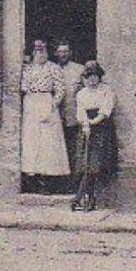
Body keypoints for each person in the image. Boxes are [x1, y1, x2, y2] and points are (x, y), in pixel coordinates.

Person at [19, 40, 70, 193]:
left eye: (43, 51)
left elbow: (60, 88)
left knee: (49, 143)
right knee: (32, 142)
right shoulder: (27, 69)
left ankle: (49, 179)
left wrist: (52, 105)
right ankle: (32, 178)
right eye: (37, 51)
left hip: (46, 102)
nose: (41, 54)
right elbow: (23, 86)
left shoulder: (53, 68)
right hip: (31, 103)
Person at [70, 61, 118, 212]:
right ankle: (87, 198)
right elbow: (80, 111)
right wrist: (85, 124)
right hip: (86, 129)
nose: (92, 80)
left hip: (102, 129)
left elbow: (106, 110)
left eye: (95, 76)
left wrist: (93, 122)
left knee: (96, 166)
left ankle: (82, 197)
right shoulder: (82, 94)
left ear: (99, 77)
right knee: (85, 165)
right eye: (89, 76)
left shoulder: (106, 91)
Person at [54, 41, 86, 179]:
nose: (63, 54)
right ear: (56, 53)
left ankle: (73, 180)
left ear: (70, 53)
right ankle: (58, 180)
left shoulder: (79, 69)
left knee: (74, 148)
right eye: (60, 52)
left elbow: (87, 90)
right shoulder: (51, 68)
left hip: (73, 115)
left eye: (66, 51)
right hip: (54, 116)